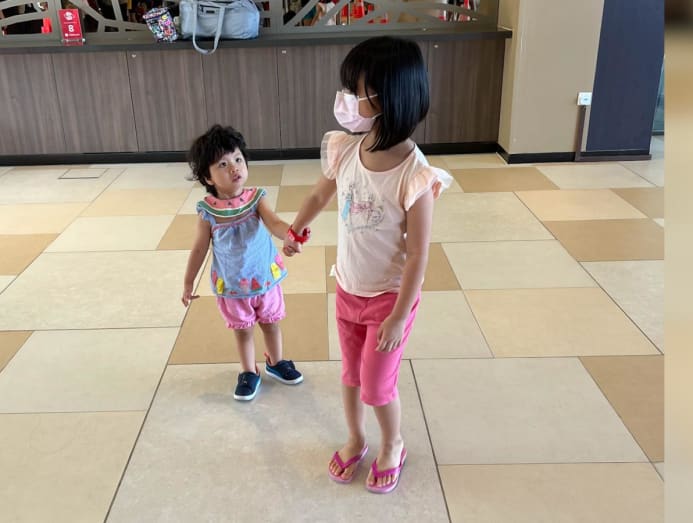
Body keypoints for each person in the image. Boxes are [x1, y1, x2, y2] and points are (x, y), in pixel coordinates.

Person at [283, 36, 452, 493]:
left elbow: (418, 254)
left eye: (356, 90)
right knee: (351, 376)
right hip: (348, 288)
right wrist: (296, 229)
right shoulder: (346, 149)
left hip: (389, 300)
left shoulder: (415, 174)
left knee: (378, 386)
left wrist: (399, 315)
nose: (347, 99)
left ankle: (393, 442)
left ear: (388, 96)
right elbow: (319, 193)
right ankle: (356, 438)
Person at [182, 125, 305, 401]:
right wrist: (188, 282)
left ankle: (276, 361)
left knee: (271, 323)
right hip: (233, 287)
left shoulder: (256, 198)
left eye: (238, 159)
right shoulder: (208, 211)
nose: (234, 167)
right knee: (243, 331)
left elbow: (274, 222)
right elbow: (199, 248)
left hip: (264, 279)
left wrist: (290, 235)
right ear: (208, 177)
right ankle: (249, 371)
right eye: (223, 164)